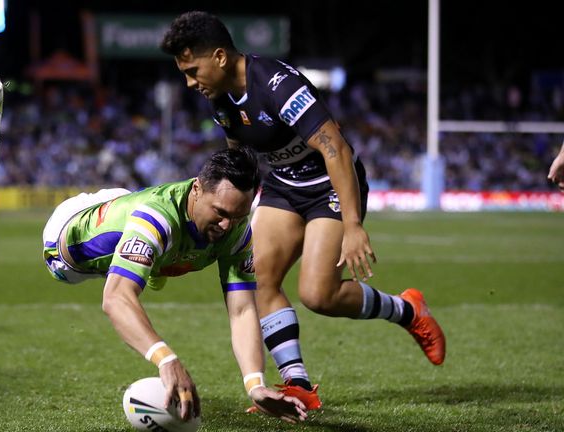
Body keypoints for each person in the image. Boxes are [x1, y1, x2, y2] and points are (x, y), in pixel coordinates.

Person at [160, 11, 446, 411]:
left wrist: (352, 225)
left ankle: (408, 309)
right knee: (257, 277)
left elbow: (336, 148)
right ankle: (298, 385)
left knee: (318, 294)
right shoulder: (220, 99)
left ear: (220, 57)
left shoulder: (278, 84)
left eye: (193, 70)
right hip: (282, 186)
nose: (190, 82)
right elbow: (239, 163)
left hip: (329, 184)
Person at [41, 147, 308, 424]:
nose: (228, 225)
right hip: (65, 244)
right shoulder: (156, 220)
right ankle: (153, 260)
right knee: (148, 241)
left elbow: (242, 310)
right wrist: (166, 359)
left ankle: (154, 263)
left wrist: (255, 385)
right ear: (196, 189)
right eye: (220, 212)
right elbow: (115, 298)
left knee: (161, 248)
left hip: (148, 220)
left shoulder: (237, 230)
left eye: (239, 215)